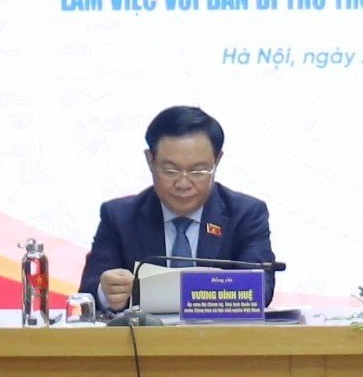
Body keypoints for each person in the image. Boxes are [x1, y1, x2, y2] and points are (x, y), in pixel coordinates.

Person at [81, 106, 276, 316]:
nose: (183, 184)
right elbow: (88, 293)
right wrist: (107, 292)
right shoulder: (119, 217)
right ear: (150, 160)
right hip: (144, 336)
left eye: (197, 171)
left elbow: (261, 288)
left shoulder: (246, 214)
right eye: (170, 170)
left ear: (217, 161)